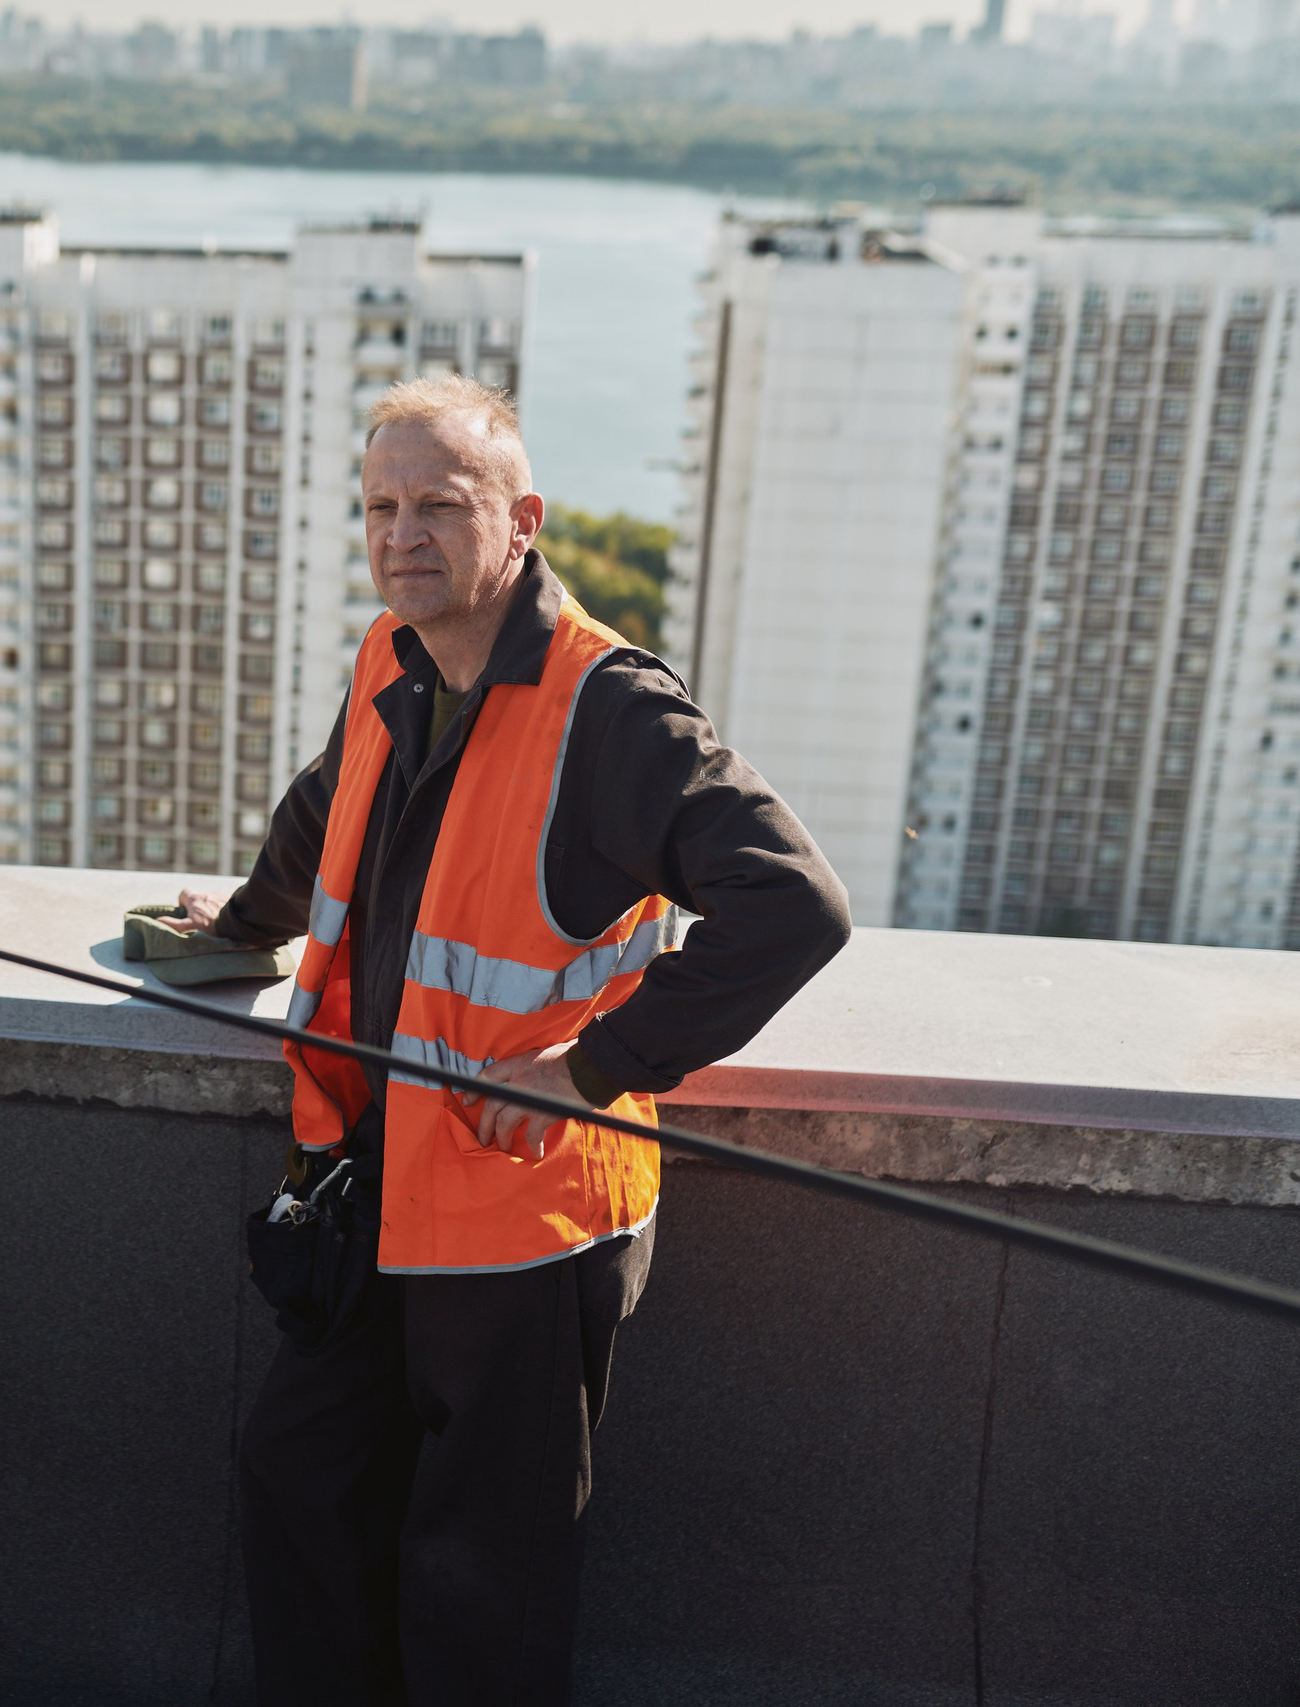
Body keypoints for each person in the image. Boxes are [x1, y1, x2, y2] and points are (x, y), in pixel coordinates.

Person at [171, 374, 849, 1706]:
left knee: (483, 1567)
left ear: (522, 519)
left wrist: (589, 1067)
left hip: (524, 1228)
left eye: (441, 504)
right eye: (380, 505)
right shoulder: (395, 656)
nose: (402, 533)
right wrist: (238, 917)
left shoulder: (611, 707)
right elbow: (329, 813)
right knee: (298, 1475)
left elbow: (795, 904)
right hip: (379, 1189)